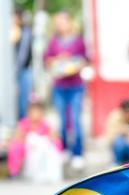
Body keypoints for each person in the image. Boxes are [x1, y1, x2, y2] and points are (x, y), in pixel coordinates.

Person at [44, 11, 88, 171]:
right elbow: (47, 60)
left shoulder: (78, 40)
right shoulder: (54, 41)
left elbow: (85, 60)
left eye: (63, 21)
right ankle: (65, 150)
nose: (60, 25)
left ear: (69, 22)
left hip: (75, 85)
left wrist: (73, 62)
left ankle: (78, 153)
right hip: (59, 86)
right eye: (58, 22)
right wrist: (58, 60)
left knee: (75, 120)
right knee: (62, 120)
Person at [7, 99, 63, 182]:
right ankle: (14, 172)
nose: (35, 114)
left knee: (54, 145)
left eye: (37, 111)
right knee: (16, 146)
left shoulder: (44, 124)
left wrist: (49, 139)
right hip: (27, 147)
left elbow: (53, 136)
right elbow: (18, 136)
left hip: (41, 149)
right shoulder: (25, 123)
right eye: (32, 111)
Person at [12, 8, 33, 120]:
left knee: (23, 103)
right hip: (13, 72)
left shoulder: (25, 31)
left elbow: (22, 55)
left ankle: (22, 126)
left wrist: (14, 72)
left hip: (23, 71)